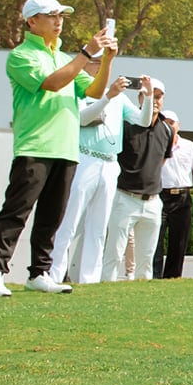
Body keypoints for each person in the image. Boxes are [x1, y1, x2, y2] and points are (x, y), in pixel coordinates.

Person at [0, 0, 112, 296]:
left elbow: (93, 89)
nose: (58, 21)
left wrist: (106, 59)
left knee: (52, 216)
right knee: (16, 212)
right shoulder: (21, 55)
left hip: (66, 147)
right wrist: (86, 52)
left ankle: (39, 272)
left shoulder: (66, 57)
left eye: (61, 16)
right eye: (51, 16)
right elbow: (52, 83)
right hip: (35, 146)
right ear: (31, 21)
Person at [49, 64, 152, 287]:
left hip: (109, 162)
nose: (98, 67)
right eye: (95, 62)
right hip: (85, 158)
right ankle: (55, 274)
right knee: (70, 220)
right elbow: (83, 119)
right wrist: (107, 97)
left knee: (98, 225)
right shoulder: (78, 89)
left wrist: (149, 97)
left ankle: (90, 279)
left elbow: (143, 121)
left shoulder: (120, 98)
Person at [105, 77, 175, 281]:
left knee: (146, 260)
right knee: (113, 255)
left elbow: (161, 161)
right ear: (139, 97)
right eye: (148, 94)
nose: (154, 100)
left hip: (153, 201)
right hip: (125, 197)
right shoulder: (127, 124)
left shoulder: (167, 130)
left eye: (158, 96)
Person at [154, 109, 193, 279]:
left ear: (178, 126)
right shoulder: (155, 143)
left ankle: (173, 277)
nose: (168, 125)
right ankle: (154, 276)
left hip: (182, 197)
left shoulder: (189, 146)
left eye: (171, 122)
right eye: (165, 122)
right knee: (155, 240)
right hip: (159, 195)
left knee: (179, 241)